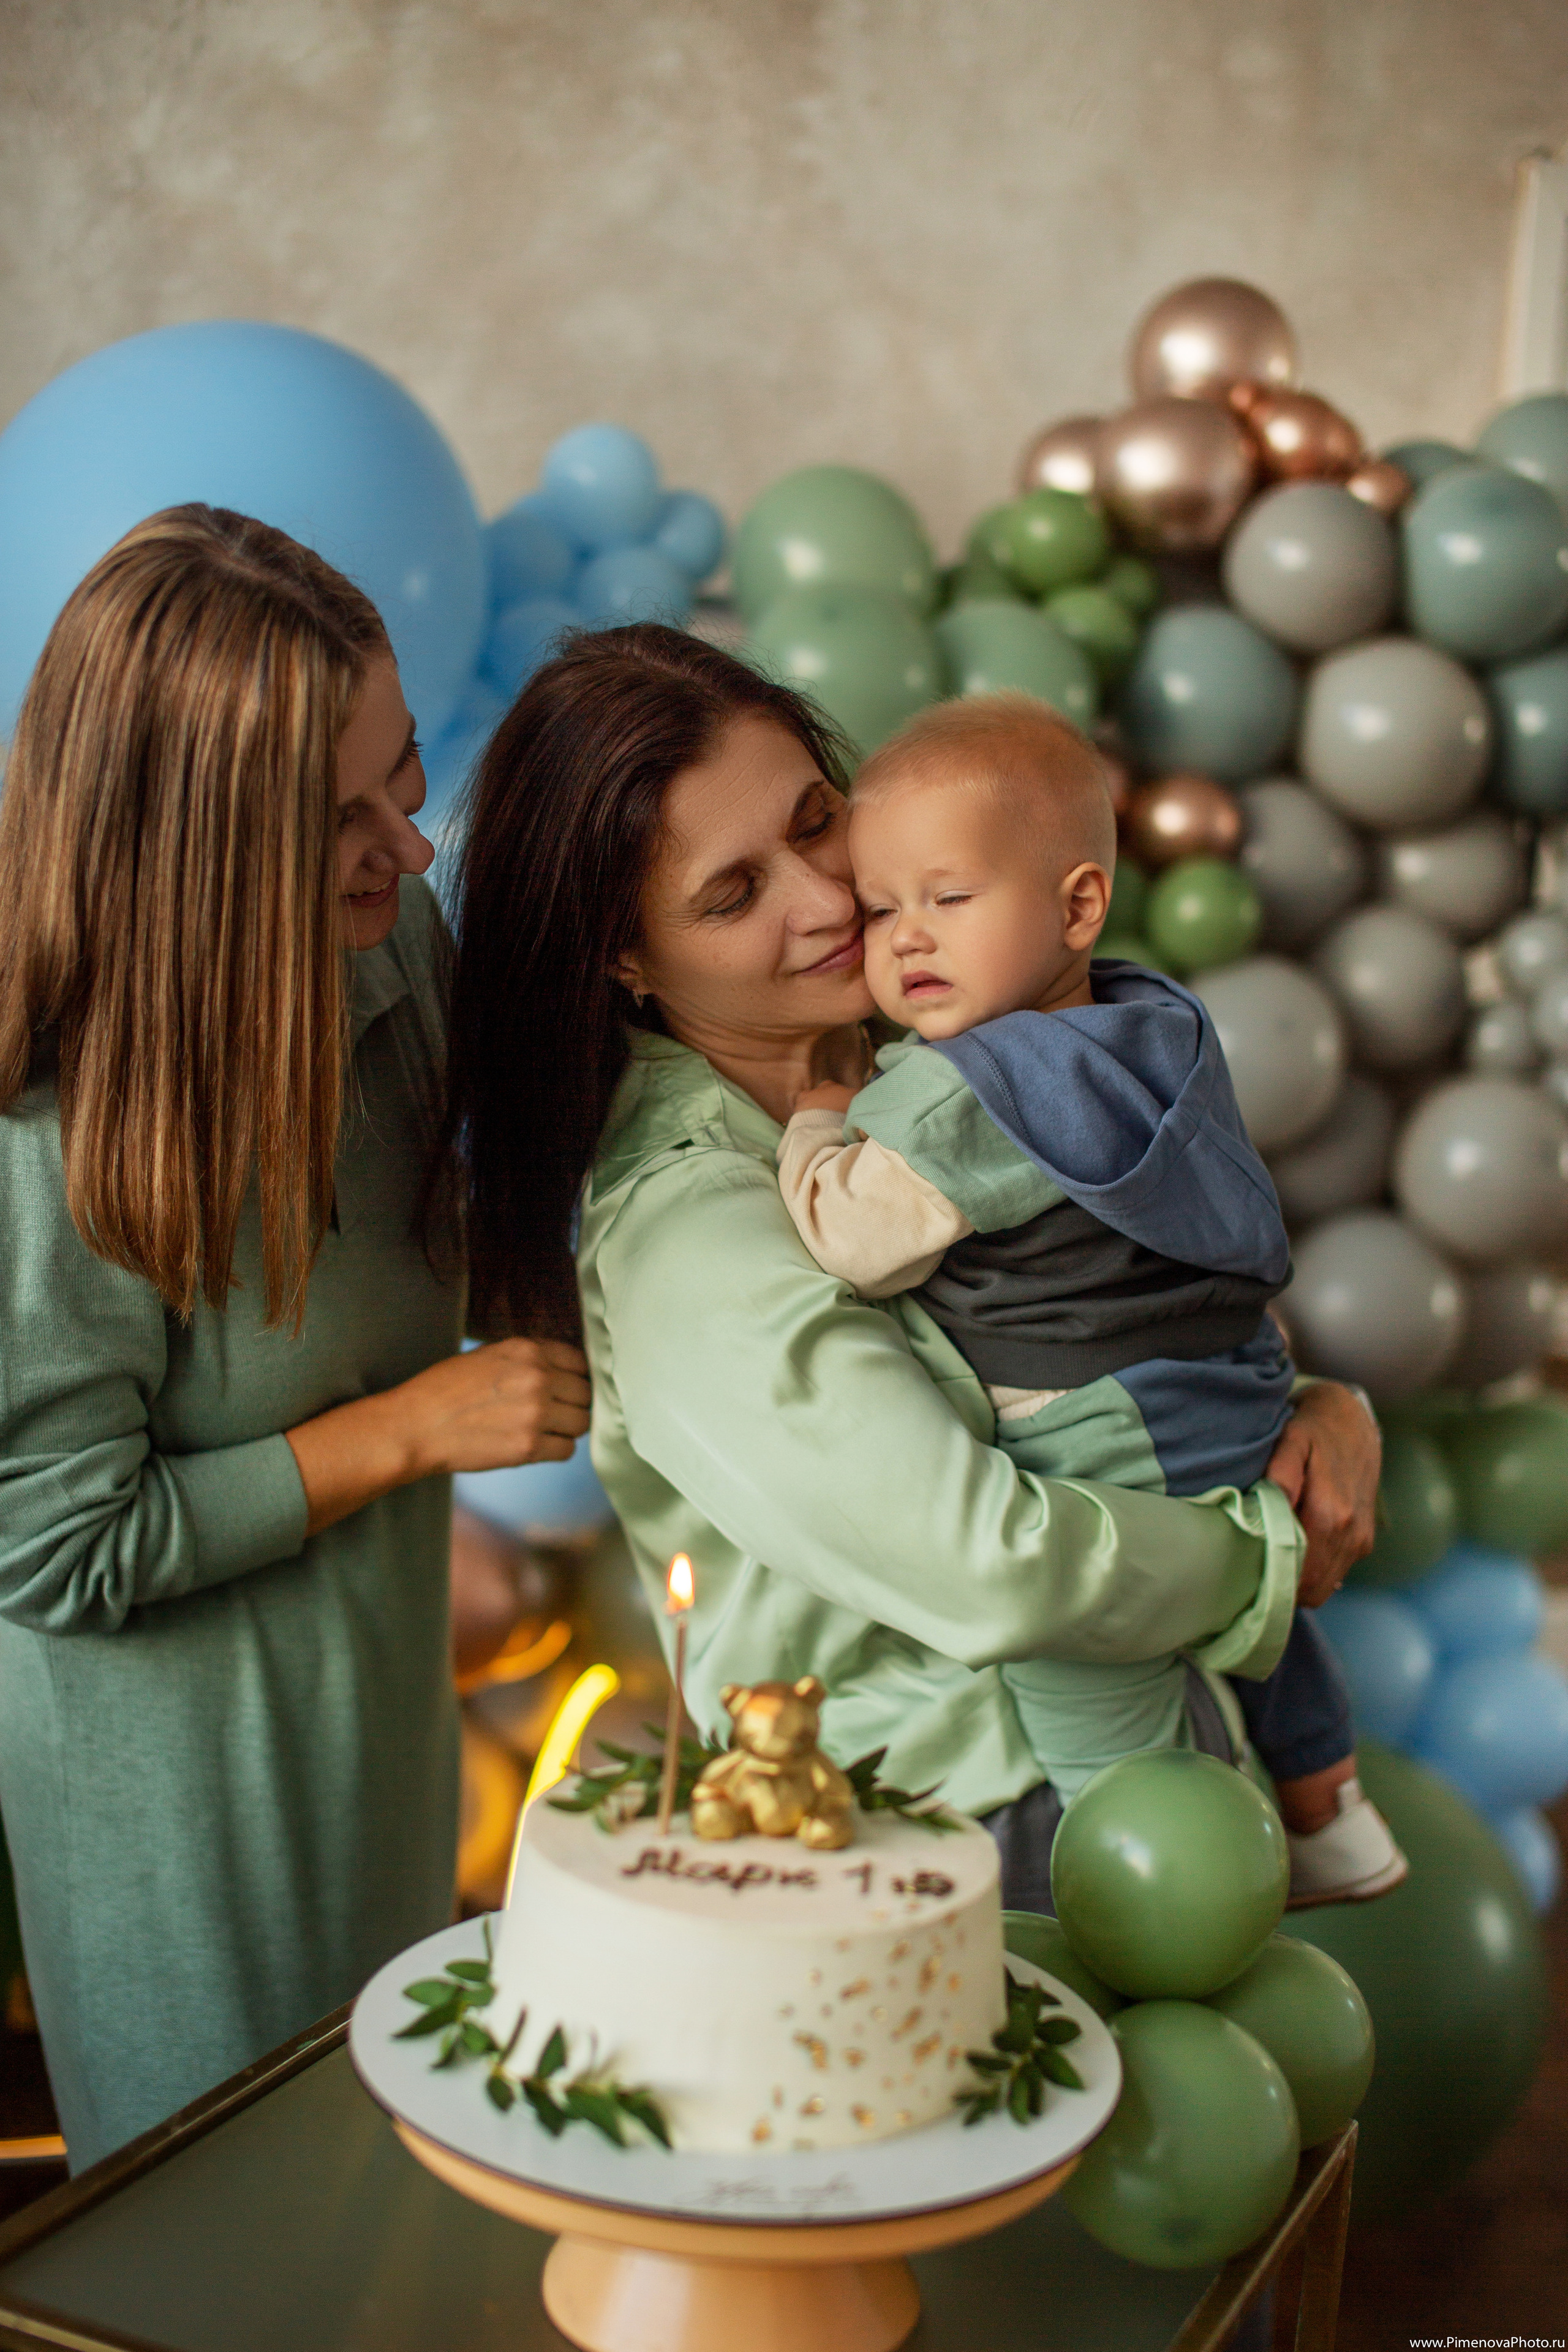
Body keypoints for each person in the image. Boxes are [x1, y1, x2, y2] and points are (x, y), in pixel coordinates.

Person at [442, 623, 1381, 1912]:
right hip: (942, 1834)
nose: (827, 902)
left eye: (815, 820)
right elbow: (985, 1560)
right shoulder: (685, 1232)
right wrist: (1263, 1547)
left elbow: (1145, 1290)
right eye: (733, 893)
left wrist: (1315, 1413)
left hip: (1150, 1745)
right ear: (624, 959)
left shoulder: (939, 1044)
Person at [0, 507, 590, 2172]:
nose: (404, 852)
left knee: (393, 2204)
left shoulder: (383, 943)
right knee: (237, 2244)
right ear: (188, 854)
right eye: (334, 818)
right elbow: (55, 1552)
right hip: (177, 1813)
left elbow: (478, 1244)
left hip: (376, 1727)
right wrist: (412, 1431)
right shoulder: (37, 1137)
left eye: (401, 775)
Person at [775, 694, 1403, 1907]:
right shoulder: (1153, 1025)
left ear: (1075, 904)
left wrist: (813, 1116)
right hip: (1233, 1391)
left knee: (1082, 1663)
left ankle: (1156, 1875)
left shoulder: (974, 1085)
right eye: (878, 906)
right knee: (1265, 1601)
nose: (903, 941)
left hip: (1093, 1422)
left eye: (946, 900)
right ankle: (1329, 1805)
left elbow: (849, 1238)